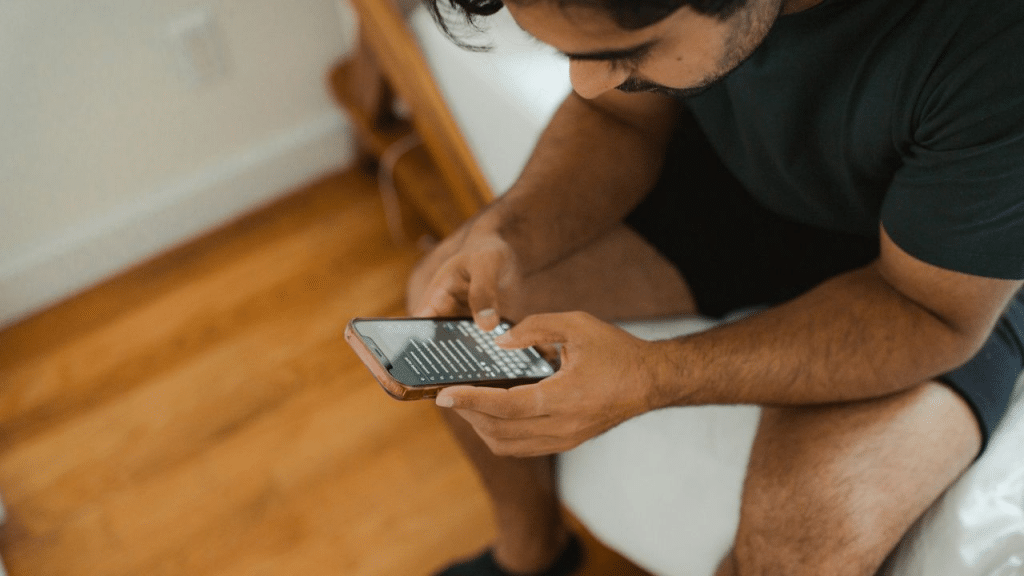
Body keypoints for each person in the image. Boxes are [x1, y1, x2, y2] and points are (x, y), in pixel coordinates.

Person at [406, 0, 1024, 574]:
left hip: (950, 264)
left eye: (630, 50)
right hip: (744, 192)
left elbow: (929, 312)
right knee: (441, 317)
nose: (583, 82)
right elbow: (614, 115)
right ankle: (531, 554)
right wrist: (507, 234)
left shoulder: (995, 41)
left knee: (800, 529)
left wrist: (652, 376)